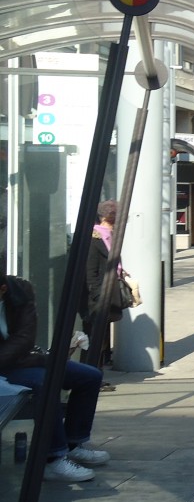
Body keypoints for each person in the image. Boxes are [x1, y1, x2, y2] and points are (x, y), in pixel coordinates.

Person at [0, 269, 109, 482]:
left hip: (22, 359)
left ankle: (73, 443)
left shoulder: (21, 291)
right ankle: (53, 458)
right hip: (9, 367)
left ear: (3, 289)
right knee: (44, 382)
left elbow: (24, 337)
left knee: (90, 376)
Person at [83, 199, 125, 368]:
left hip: (108, 293)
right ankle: (92, 371)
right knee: (94, 337)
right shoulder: (95, 238)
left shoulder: (110, 236)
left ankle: (98, 370)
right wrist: (97, 295)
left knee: (102, 336)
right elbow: (90, 271)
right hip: (98, 296)